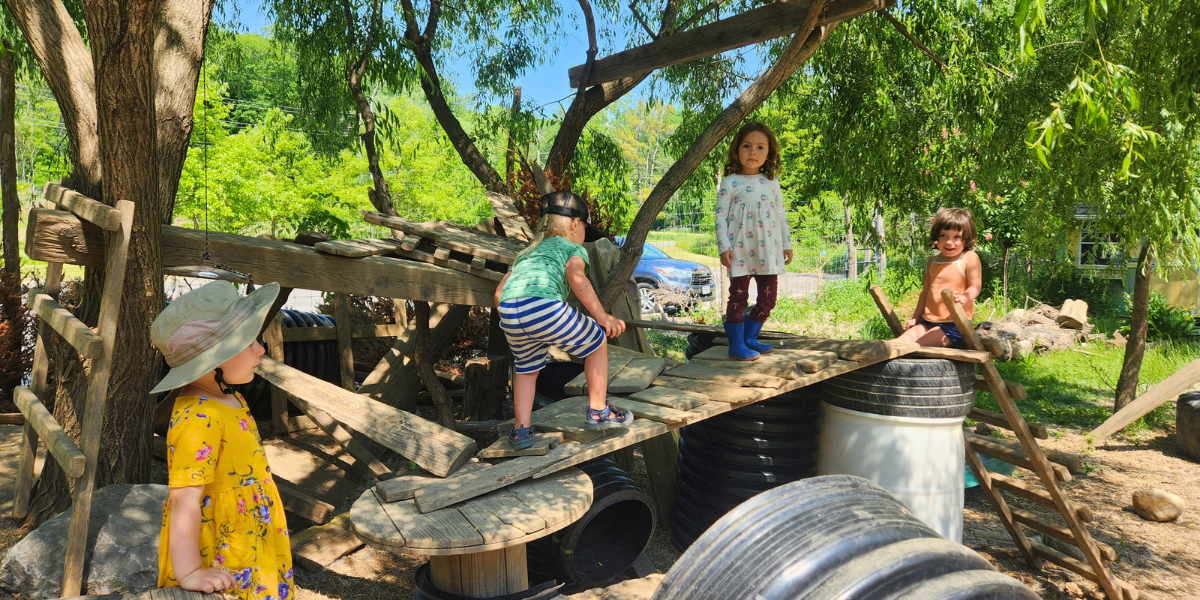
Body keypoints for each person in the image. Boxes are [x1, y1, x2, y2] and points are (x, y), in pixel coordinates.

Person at [152, 281, 293, 599]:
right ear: (211, 361)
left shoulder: (231, 398)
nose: (261, 349)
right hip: (221, 550)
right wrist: (190, 572)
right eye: (248, 343)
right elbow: (184, 499)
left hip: (249, 531)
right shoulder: (198, 418)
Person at [494, 191, 631, 449]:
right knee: (596, 342)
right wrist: (602, 316)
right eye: (584, 232)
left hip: (510, 312)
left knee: (525, 368)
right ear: (575, 225)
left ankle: (521, 430)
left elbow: (499, 294)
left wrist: (517, 318)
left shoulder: (526, 253)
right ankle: (599, 410)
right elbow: (576, 277)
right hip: (544, 306)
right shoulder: (572, 247)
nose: (584, 240)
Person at [716, 122, 793, 361]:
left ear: (769, 152)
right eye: (747, 146)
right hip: (739, 251)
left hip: (768, 251)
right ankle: (736, 345)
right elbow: (720, 216)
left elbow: (781, 215)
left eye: (760, 147)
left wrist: (786, 244)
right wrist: (724, 247)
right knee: (738, 297)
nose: (753, 152)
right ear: (736, 150)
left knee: (768, 298)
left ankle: (749, 338)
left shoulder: (771, 183)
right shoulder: (730, 183)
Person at [898, 207, 982, 347]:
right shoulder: (932, 262)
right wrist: (915, 318)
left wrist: (964, 297)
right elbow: (925, 293)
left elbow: (975, 286)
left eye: (957, 237)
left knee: (916, 348)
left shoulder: (968, 258)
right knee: (897, 344)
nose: (949, 242)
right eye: (944, 235)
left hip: (955, 325)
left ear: (967, 239)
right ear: (936, 236)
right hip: (928, 321)